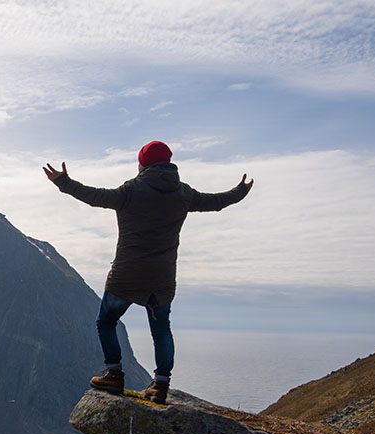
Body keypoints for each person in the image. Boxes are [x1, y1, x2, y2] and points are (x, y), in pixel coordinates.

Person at [43, 141, 253, 405]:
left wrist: (63, 182)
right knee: (161, 329)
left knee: (106, 321)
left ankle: (114, 374)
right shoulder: (184, 194)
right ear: (168, 163)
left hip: (127, 275)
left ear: (142, 163)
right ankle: (160, 385)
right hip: (162, 279)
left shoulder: (132, 190)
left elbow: (94, 196)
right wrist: (240, 191)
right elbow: (217, 202)